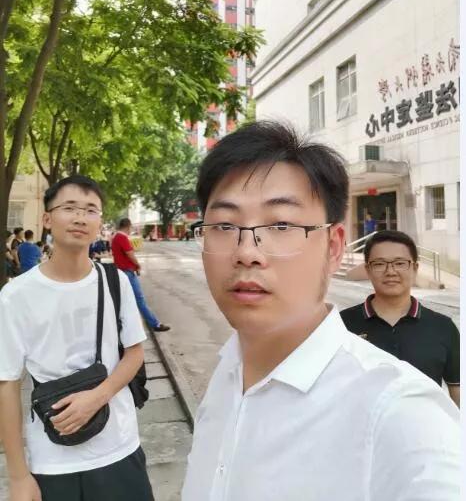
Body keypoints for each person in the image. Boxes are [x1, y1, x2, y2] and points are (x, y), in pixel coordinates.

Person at [181, 121, 459, 501]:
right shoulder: (227, 376)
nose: (246, 252)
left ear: (333, 247)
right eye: (225, 225)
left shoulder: (401, 415)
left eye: (281, 224)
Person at [0, 175, 154, 501]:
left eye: (90, 210)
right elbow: (7, 384)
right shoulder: (16, 296)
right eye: (69, 208)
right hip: (53, 460)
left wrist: (96, 398)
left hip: (120, 448)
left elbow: (135, 354)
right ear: (47, 219)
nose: (80, 218)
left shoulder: (116, 282)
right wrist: (18, 477)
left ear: (100, 222)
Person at [340, 230, 460, 406]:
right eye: (379, 264)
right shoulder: (341, 325)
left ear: (415, 268)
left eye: (400, 263)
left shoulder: (443, 327)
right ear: (368, 270)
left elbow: (458, 394)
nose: (390, 271)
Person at [112, 218, 170, 332]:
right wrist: (138, 265)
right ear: (128, 226)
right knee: (139, 299)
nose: (131, 230)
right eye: (131, 227)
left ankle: (122, 325)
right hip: (127, 272)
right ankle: (155, 324)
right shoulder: (122, 237)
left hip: (121, 271)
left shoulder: (115, 237)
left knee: (124, 300)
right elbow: (130, 254)